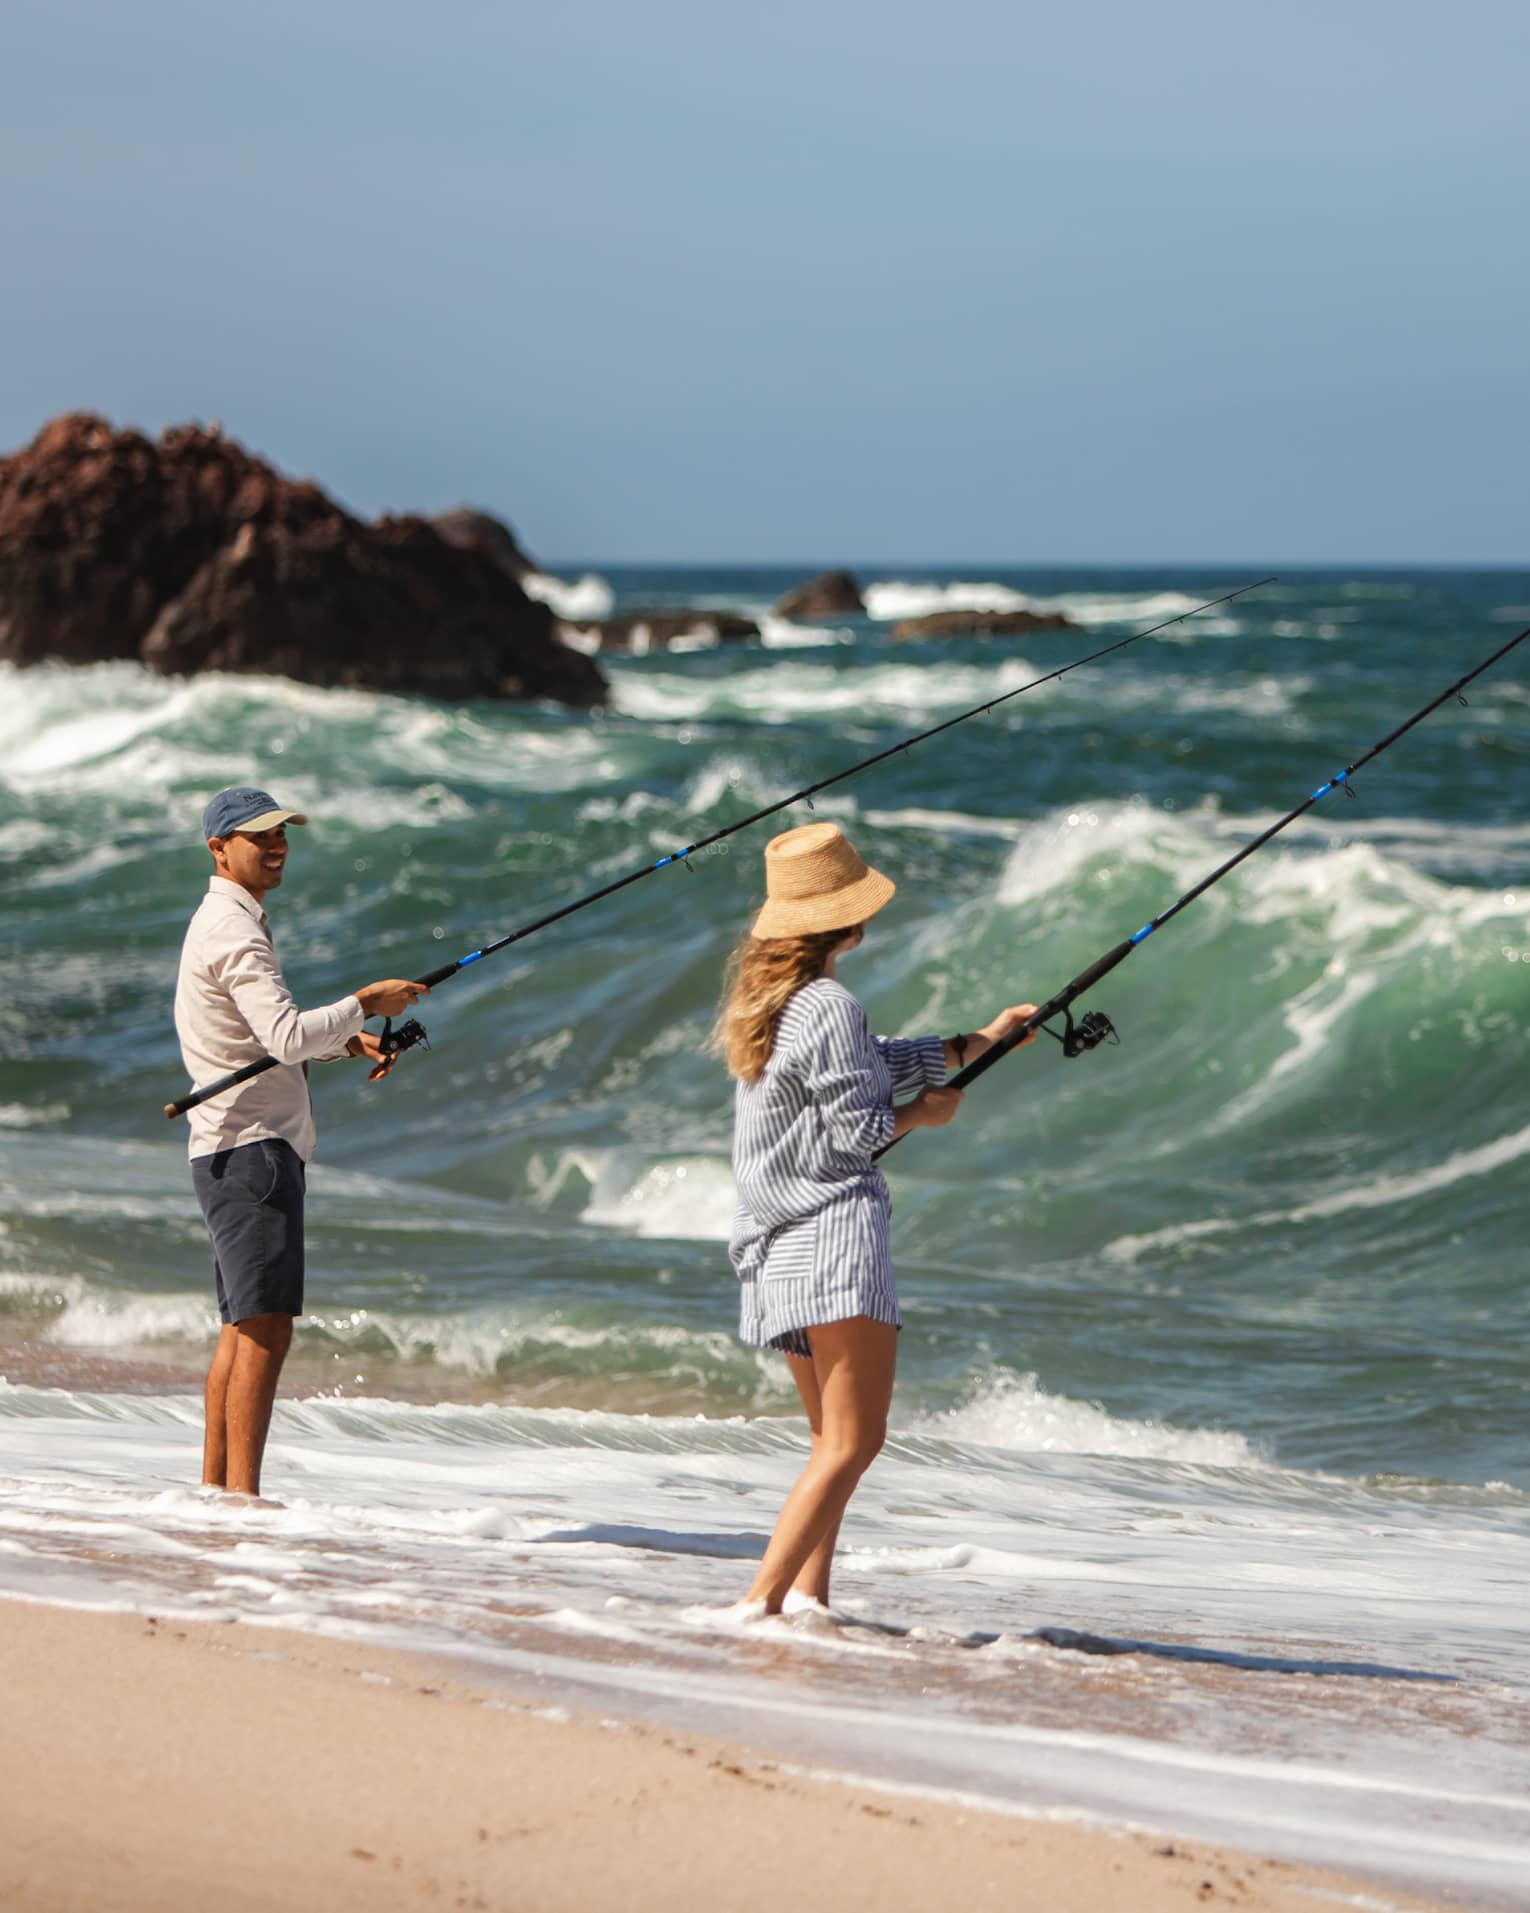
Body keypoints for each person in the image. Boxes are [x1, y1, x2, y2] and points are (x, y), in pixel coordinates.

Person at [714, 821, 1036, 1616]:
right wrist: (923, 1116)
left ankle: (809, 1606)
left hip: (778, 1247)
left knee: (831, 1446)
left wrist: (980, 1040)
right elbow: (860, 1128)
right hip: (832, 1242)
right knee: (855, 1443)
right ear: (845, 921)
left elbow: (869, 1061)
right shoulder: (829, 1003)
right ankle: (757, 1605)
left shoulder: (775, 1006)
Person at [174, 786, 427, 1499]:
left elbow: (261, 1038)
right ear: (218, 848)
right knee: (264, 1330)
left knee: (241, 1329)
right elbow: (285, 1035)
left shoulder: (226, 920)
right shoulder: (234, 930)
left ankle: (217, 1497)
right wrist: (364, 1002)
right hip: (253, 1152)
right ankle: (242, 1502)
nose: (277, 844)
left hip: (229, 1149)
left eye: (282, 832)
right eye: (259, 836)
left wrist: (353, 1040)